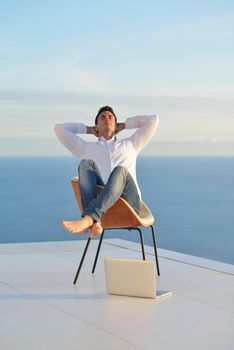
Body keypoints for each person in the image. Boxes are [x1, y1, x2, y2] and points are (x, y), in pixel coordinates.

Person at [54, 106, 159, 238]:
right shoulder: (86, 148)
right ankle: (95, 222)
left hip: (129, 205)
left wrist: (125, 125)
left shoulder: (131, 144)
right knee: (85, 163)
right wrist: (88, 129)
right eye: (102, 118)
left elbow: (153, 120)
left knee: (120, 170)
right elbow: (59, 129)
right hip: (104, 210)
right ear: (96, 127)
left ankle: (89, 219)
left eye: (111, 117)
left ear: (116, 126)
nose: (107, 119)